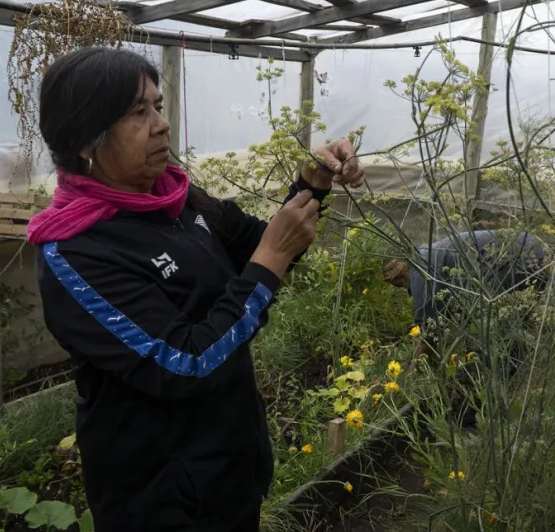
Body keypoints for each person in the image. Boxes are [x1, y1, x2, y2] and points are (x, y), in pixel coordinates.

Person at [27, 47, 365, 532]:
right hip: (162, 500)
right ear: (86, 139)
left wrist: (312, 185)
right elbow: (184, 363)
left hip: (228, 470)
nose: (161, 124)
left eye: (158, 106)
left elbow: (262, 248)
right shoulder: (78, 252)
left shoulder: (180, 202)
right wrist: (272, 256)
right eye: (138, 113)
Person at [383, 230, 549, 426]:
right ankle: (501, 401)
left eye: (400, 285)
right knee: (509, 335)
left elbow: (429, 332)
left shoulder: (420, 272)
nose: (406, 291)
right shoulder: (431, 253)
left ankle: (471, 414)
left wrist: (414, 368)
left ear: (398, 275)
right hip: (534, 251)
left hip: (514, 260)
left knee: (485, 343)